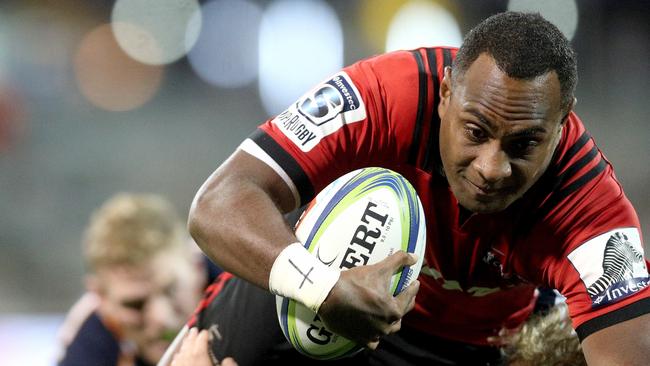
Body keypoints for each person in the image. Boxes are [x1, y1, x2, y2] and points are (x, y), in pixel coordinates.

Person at [187, 11, 650, 365]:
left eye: (524, 143)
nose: (492, 168)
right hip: (319, 290)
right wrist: (321, 286)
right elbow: (217, 203)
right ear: (446, 93)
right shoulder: (386, 96)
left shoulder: (592, 210)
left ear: (563, 121)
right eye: (475, 131)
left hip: (472, 349)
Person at [57, 193, 210, 366]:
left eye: (171, 289)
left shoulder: (240, 282)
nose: (161, 317)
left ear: (197, 267)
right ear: (101, 298)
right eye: (135, 305)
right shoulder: (90, 339)